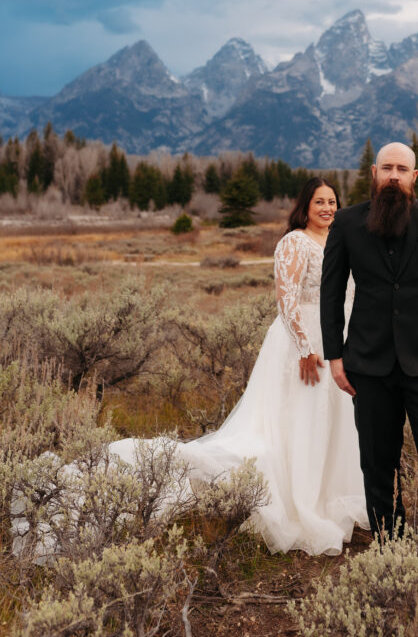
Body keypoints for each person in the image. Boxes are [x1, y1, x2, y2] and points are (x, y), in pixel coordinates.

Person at [103, 178, 368, 556]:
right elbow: (287, 297)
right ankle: (298, 503)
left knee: (335, 422)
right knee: (302, 420)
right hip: (305, 343)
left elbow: (352, 293)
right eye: (319, 202)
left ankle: (328, 497)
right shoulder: (294, 242)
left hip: (338, 338)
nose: (327, 208)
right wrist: (305, 348)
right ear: (304, 207)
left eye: (332, 202)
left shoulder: (341, 241)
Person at [320, 142, 418, 556]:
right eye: (387, 167)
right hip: (368, 366)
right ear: (373, 174)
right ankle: (394, 555)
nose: (394, 175)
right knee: (377, 467)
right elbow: (330, 293)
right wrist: (334, 356)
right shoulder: (348, 223)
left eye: (402, 169)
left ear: (414, 177)